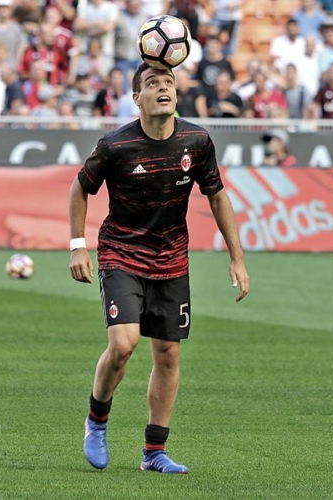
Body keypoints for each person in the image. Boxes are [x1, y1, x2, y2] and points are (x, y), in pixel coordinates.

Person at [68, 61, 250, 474]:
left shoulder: (196, 141)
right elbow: (80, 188)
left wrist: (237, 257)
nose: (163, 87)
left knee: (168, 354)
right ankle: (96, 420)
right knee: (123, 344)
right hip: (121, 253)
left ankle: (153, 452)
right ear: (137, 98)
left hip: (171, 258)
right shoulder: (115, 145)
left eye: (169, 81)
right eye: (153, 83)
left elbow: (217, 195)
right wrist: (78, 246)